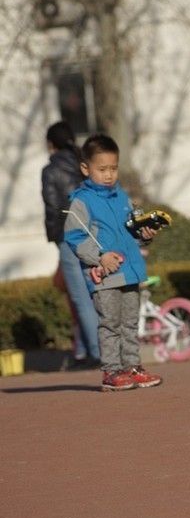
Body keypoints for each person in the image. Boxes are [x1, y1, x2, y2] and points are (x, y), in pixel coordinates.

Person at [63, 135, 163, 391]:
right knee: (110, 323)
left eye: (114, 168)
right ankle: (111, 371)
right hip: (105, 275)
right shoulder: (81, 202)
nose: (109, 175)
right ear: (85, 168)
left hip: (130, 272)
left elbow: (131, 229)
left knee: (130, 323)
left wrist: (144, 234)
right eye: (102, 169)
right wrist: (99, 257)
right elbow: (75, 237)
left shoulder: (122, 197)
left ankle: (132, 367)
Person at [41, 120, 100, 369]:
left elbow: (53, 207)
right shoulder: (83, 161)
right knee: (95, 289)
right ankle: (88, 350)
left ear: (51, 144)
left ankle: (97, 352)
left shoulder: (51, 170)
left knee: (80, 296)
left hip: (68, 236)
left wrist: (55, 236)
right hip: (93, 232)